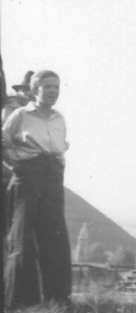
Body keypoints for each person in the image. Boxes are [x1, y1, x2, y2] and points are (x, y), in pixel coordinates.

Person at [3, 70, 71, 309]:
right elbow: (3, 140)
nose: (53, 91)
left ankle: (57, 300)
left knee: (55, 238)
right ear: (35, 90)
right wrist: (15, 164)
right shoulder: (21, 115)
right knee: (22, 240)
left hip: (53, 178)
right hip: (27, 176)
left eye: (56, 86)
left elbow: (62, 147)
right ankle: (20, 303)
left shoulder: (60, 118)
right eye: (48, 86)